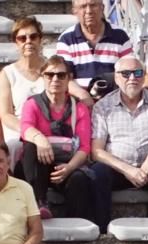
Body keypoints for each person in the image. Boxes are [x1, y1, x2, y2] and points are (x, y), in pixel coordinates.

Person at [87, 55, 148, 230]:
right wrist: (128, 170)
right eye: (126, 74)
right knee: (97, 172)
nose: (132, 78)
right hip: (117, 170)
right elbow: (97, 151)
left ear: (144, 76)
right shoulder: (103, 106)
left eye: (138, 73)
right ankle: (102, 229)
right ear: (117, 78)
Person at [19, 55, 96, 225]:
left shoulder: (79, 108)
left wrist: (69, 168)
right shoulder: (32, 104)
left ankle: (77, 223)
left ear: (69, 78)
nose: (55, 79)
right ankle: (38, 203)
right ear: (43, 77)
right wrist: (41, 140)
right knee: (31, 146)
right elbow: (25, 128)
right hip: (40, 164)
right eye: (49, 75)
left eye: (61, 75)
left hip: (67, 162)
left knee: (78, 178)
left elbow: (84, 147)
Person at [0, 17, 49, 158]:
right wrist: (30, 131)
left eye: (33, 36)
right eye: (22, 38)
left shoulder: (51, 69)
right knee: (14, 145)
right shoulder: (7, 73)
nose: (28, 41)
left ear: (40, 39)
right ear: (16, 43)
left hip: (49, 125)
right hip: (18, 127)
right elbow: (5, 114)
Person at [57, 0, 131, 100]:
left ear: (102, 8)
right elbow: (64, 79)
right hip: (79, 103)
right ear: (74, 11)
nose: (89, 11)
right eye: (83, 6)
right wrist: (84, 96)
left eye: (93, 5)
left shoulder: (120, 36)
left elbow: (129, 73)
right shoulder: (66, 39)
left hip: (114, 102)